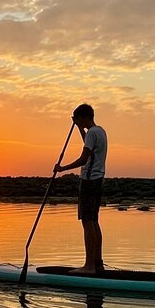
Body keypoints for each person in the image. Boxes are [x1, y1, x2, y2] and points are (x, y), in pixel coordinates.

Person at [54, 103, 108, 275]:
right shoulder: (100, 131)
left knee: (87, 222)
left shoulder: (92, 132)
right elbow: (88, 144)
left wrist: (62, 168)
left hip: (89, 180)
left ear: (84, 117)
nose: (76, 121)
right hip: (98, 180)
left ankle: (89, 266)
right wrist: (78, 127)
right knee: (93, 221)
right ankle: (97, 263)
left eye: (77, 118)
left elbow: (84, 159)